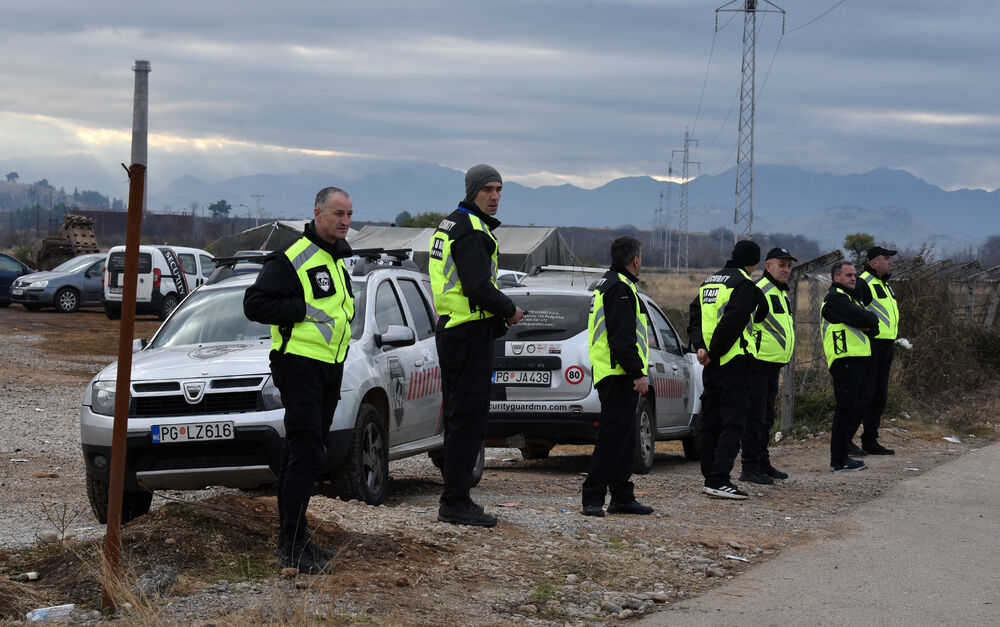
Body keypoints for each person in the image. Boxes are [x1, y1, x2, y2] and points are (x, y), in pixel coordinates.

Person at [243, 186, 355, 574]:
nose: (344, 222)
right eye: (338, 214)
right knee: (307, 455)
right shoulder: (291, 257)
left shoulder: (337, 258)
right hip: (299, 364)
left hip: (329, 365)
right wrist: (301, 310)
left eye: (349, 215)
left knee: (302, 453)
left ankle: (295, 538)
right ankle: (291, 547)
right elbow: (254, 304)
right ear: (318, 213)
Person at [428, 164, 523, 527]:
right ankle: (455, 500)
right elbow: (477, 288)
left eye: (499, 189)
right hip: (468, 333)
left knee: (459, 417)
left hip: (453, 330)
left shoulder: (450, 224)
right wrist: (510, 309)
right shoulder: (471, 231)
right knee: (468, 419)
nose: (495, 197)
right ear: (472, 192)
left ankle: (456, 497)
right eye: (487, 190)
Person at [581, 236, 655, 517]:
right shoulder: (620, 288)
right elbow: (622, 338)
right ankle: (592, 497)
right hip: (618, 373)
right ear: (635, 260)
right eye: (641, 257)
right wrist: (637, 373)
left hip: (611, 371)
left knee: (624, 438)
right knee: (613, 438)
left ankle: (622, 496)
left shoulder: (608, 283)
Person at [688, 240, 765, 500]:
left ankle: (710, 474)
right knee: (733, 422)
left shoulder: (710, 282)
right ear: (753, 262)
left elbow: (695, 315)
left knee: (711, 420)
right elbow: (732, 323)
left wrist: (700, 347)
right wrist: (714, 352)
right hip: (732, 361)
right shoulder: (743, 284)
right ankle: (719, 479)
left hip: (710, 363)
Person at [741, 247, 797, 485]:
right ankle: (750, 467)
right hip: (757, 364)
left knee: (766, 417)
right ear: (768, 266)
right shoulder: (759, 291)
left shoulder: (781, 293)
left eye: (789, 266)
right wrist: (752, 354)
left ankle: (762, 462)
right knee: (755, 417)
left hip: (773, 365)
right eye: (781, 265)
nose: (786, 270)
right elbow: (746, 325)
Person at [821, 261, 879, 472]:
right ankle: (838, 459)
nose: (854, 278)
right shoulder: (836, 299)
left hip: (858, 357)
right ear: (837, 278)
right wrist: (867, 320)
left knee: (858, 405)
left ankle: (843, 453)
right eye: (848, 275)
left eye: (854, 275)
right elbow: (867, 318)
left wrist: (868, 321)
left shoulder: (851, 299)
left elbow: (873, 325)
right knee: (845, 409)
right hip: (844, 358)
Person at [852, 245, 900, 455]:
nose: (890, 262)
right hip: (871, 346)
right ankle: (846, 439)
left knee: (879, 396)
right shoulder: (864, 283)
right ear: (874, 262)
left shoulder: (885, 285)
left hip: (886, 347)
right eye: (886, 258)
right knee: (865, 395)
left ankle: (870, 439)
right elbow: (856, 313)